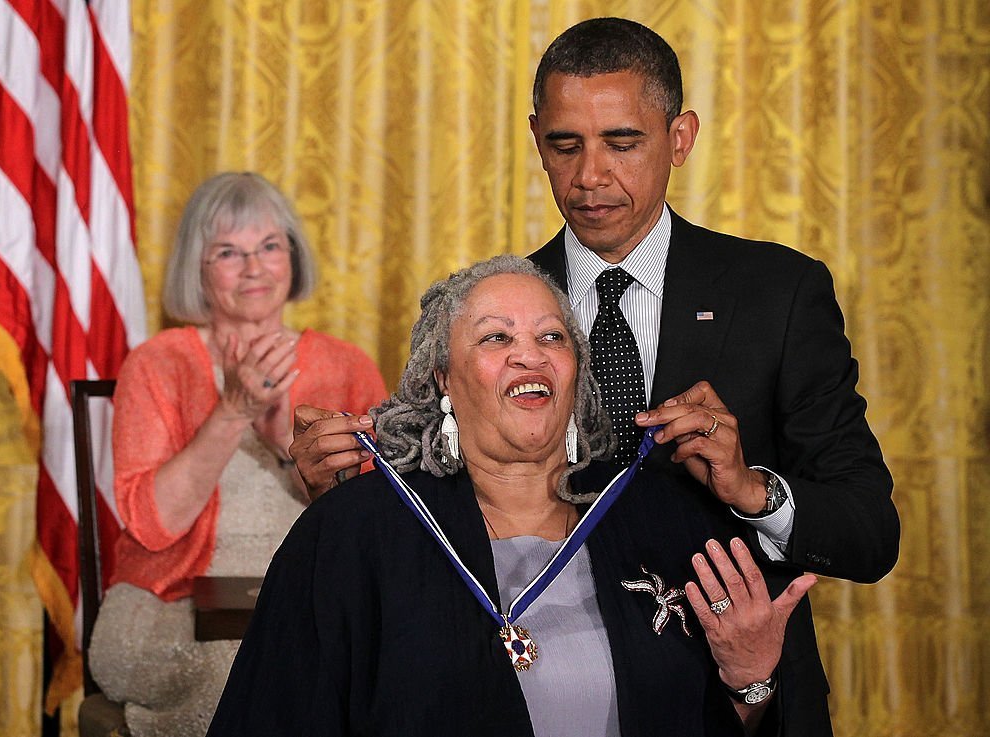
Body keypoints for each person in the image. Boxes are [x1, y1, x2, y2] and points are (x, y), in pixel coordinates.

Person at [291, 18, 899, 737]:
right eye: (565, 145)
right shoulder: (494, 309)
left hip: (746, 694)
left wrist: (750, 489)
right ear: (536, 140)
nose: (590, 177)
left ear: (680, 138)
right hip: (532, 698)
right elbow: (431, 497)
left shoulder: (778, 293)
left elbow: (870, 532)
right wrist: (339, 483)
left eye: (622, 141)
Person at [208, 255, 815, 737]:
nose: (530, 353)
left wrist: (750, 680)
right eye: (495, 338)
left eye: (552, 336)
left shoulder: (666, 518)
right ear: (443, 376)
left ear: (576, 371)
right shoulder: (352, 531)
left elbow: (713, 724)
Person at [87, 172, 388, 737]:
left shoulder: (346, 365)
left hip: (307, 605)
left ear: (292, 257)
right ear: (196, 269)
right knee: (246, 670)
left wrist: (283, 441)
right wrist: (232, 411)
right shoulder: (157, 364)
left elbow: (376, 523)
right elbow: (152, 525)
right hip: (166, 609)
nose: (254, 268)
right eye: (228, 252)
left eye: (269, 247)